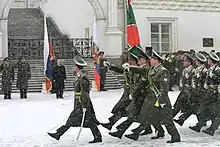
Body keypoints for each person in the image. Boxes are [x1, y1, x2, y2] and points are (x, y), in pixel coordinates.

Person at [125, 50, 181, 143]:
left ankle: (175, 136)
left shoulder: (163, 71)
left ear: (157, 60)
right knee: (147, 116)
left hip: (160, 99)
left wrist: (161, 100)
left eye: (152, 59)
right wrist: (130, 67)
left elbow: (165, 88)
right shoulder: (152, 69)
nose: (150, 60)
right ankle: (138, 134)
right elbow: (141, 70)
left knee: (167, 119)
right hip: (151, 98)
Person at [48, 55, 102, 143]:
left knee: (74, 120)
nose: (74, 68)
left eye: (75, 66)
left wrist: (84, 105)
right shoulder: (79, 76)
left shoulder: (83, 78)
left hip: (82, 103)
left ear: (77, 68)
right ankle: (97, 136)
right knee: (89, 121)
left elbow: (85, 92)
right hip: (79, 103)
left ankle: (58, 134)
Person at [100, 53, 139, 130]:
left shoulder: (138, 70)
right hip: (127, 93)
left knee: (131, 111)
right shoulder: (129, 69)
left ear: (136, 61)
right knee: (122, 109)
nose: (130, 62)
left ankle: (111, 123)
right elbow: (120, 70)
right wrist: (110, 66)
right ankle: (111, 123)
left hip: (134, 94)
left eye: (132, 60)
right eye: (129, 60)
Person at [189, 51, 220, 135]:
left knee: (213, 111)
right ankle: (201, 126)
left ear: (212, 60)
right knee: (204, 110)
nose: (207, 61)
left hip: (214, 93)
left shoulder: (217, 70)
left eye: (209, 59)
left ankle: (210, 128)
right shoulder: (211, 69)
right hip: (209, 93)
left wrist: (212, 76)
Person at [174, 52, 208, 126]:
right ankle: (200, 122)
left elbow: (205, 82)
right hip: (190, 91)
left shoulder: (200, 70)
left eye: (185, 61)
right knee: (191, 107)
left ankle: (203, 122)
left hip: (197, 92)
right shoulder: (190, 70)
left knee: (195, 108)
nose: (183, 62)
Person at [173, 54, 195, 118]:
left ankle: (202, 121)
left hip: (190, 92)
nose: (184, 63)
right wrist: (181, 84)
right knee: (178, 105)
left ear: (189, 62)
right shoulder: (184, 70)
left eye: (185, 61)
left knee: (191, 108)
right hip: (184, 90)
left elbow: (194, 82)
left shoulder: (193, 71)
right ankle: (170, 118)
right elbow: (182, 79)